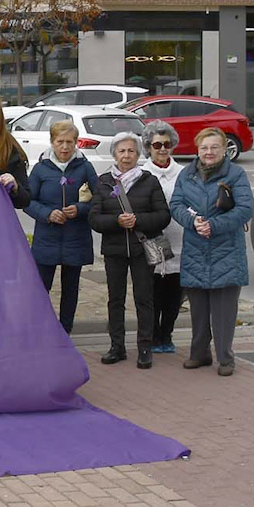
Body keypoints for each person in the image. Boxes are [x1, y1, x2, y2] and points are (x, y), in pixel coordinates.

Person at [170, 127, 253, 376]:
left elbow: (245, 209)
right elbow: (176, 204)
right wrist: (192, 222)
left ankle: (226, 359)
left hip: (226, 251)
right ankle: (200, 354)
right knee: (198, 310)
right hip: (196, 249)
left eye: (214, 147)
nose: (209, 152)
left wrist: (214, 225)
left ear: (223, 149)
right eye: (204, 147)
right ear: (197, 149)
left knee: (224, 312)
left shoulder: (236, 174)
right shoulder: (187, 174)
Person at [89, 131, 171, 369]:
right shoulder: (103, 181)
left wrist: (138, 221)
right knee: (115, 299)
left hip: (141, 248)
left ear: (138, 154)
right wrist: (117, 221)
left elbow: (163, 215)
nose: (126, 156)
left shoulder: (149, 180)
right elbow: (94, 218)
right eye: (122, 151)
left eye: (131, 151)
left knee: (144, 298)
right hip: (114, 249)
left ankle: (145, 346)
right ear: (114, 154)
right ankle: (117, 346)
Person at [24, 121, 100, 335]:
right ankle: (38, 331)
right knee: (40, 289)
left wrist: (80, 208)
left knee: (70, 290)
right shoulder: (40, 169)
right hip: (46, 238)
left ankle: (65, 331)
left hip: (75, 237)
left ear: (76, 143)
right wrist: (47, 214)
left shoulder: (85, 167)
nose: (65, 147)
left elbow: (100, 198)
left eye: (70, 142)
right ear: (52, 142)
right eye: (60, 142)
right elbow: (27, 201)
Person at [141, 120, 186, 353]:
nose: (162, 149)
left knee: (174, 294)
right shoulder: (142, 173)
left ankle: (167, 335)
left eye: (167, 144)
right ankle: (154, 336)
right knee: (154, 292)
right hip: (153, 240)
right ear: (148, 146)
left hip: (180, 241)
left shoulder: (183, 173)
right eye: (156, 144)